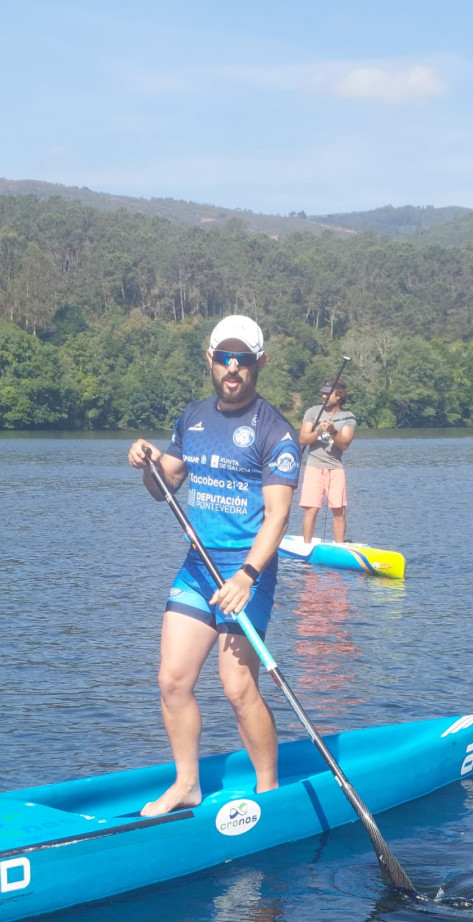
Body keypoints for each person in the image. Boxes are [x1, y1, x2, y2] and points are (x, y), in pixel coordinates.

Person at [127, 315, 301, 816]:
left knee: (237, 686)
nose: (232, 367)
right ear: (210, 360)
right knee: (172, 680)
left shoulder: (276, 432)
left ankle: (269, 793)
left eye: (242, 359)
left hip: (247, 571)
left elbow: (278, 516)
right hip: (197, 567)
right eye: (224, 357)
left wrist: (247, 576)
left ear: (259, 364)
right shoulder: (194, 418)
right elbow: (165, 489)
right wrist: (149, 461)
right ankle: (187, 784)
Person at [298, 377, 356, 543]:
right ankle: (306, 546)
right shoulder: (312, 412)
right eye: (322, 393)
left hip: (335, 468)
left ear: (338, 396)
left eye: (327, 394)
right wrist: (317, 432)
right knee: (311, 509)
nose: (323, 397)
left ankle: (339, 546)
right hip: (314, 467)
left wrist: (332, 431)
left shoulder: (348, 417)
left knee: (339, 510)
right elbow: (303, 439)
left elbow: (344, 444)